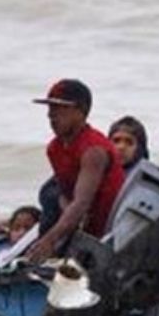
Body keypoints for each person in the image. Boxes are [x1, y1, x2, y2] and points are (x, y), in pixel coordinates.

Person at [27, 79, 126, 263]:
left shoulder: (93, 149)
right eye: (50, 108)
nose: (51, 115)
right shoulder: (54, 148)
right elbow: (64, 193)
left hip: (107, 234)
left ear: (81, 111)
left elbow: (81, 202)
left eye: (60, 108)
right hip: (78, 229)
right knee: (49, 193)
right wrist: (65, 216)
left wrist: (49, 241)